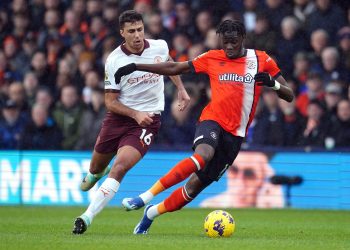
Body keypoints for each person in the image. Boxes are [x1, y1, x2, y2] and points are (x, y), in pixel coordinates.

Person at [115, 19, 294, 234]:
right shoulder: (211, 57)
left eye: (233, 43)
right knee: (203, 154)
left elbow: (289, 95)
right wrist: (136, 66)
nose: (228, 47)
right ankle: (145, 196)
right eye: (225, 42)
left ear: (243, 39)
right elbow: (174, 66)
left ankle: (151, 213)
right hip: (212, 120)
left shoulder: (261, 59)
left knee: (192, 188)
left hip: (235, 136)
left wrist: (273, 84)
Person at [72, 10, 190, 234]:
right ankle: (95, 173)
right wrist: (134, 113)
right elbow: (110, 102)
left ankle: (86, 217)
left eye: (140, 30)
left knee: (120, 167)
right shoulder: (115, 60)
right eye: (131, 31)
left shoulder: (160, 46)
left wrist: (181, 89)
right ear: (122, 33)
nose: (137, 35)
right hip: (119, 118)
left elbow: (169, 64)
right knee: (96, 169)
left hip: (148, 121)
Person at [199, 152, 284, 208]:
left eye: (249, 174)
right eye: (234, 170)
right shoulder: (210, 205)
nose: (239, 183)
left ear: (263, 179)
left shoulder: (271, 205)